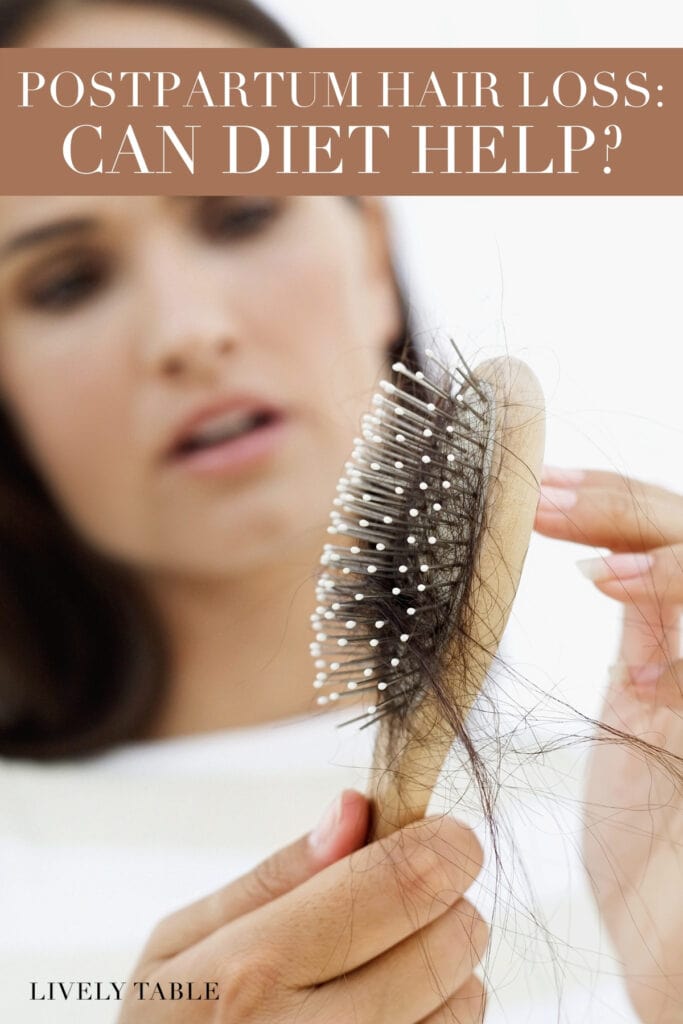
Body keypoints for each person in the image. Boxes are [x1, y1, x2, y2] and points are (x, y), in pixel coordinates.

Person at [0, 2, 679, 1022]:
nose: (190, 330)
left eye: (240, 213)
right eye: (66, 282)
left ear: (369, 249)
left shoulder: (637, 809)